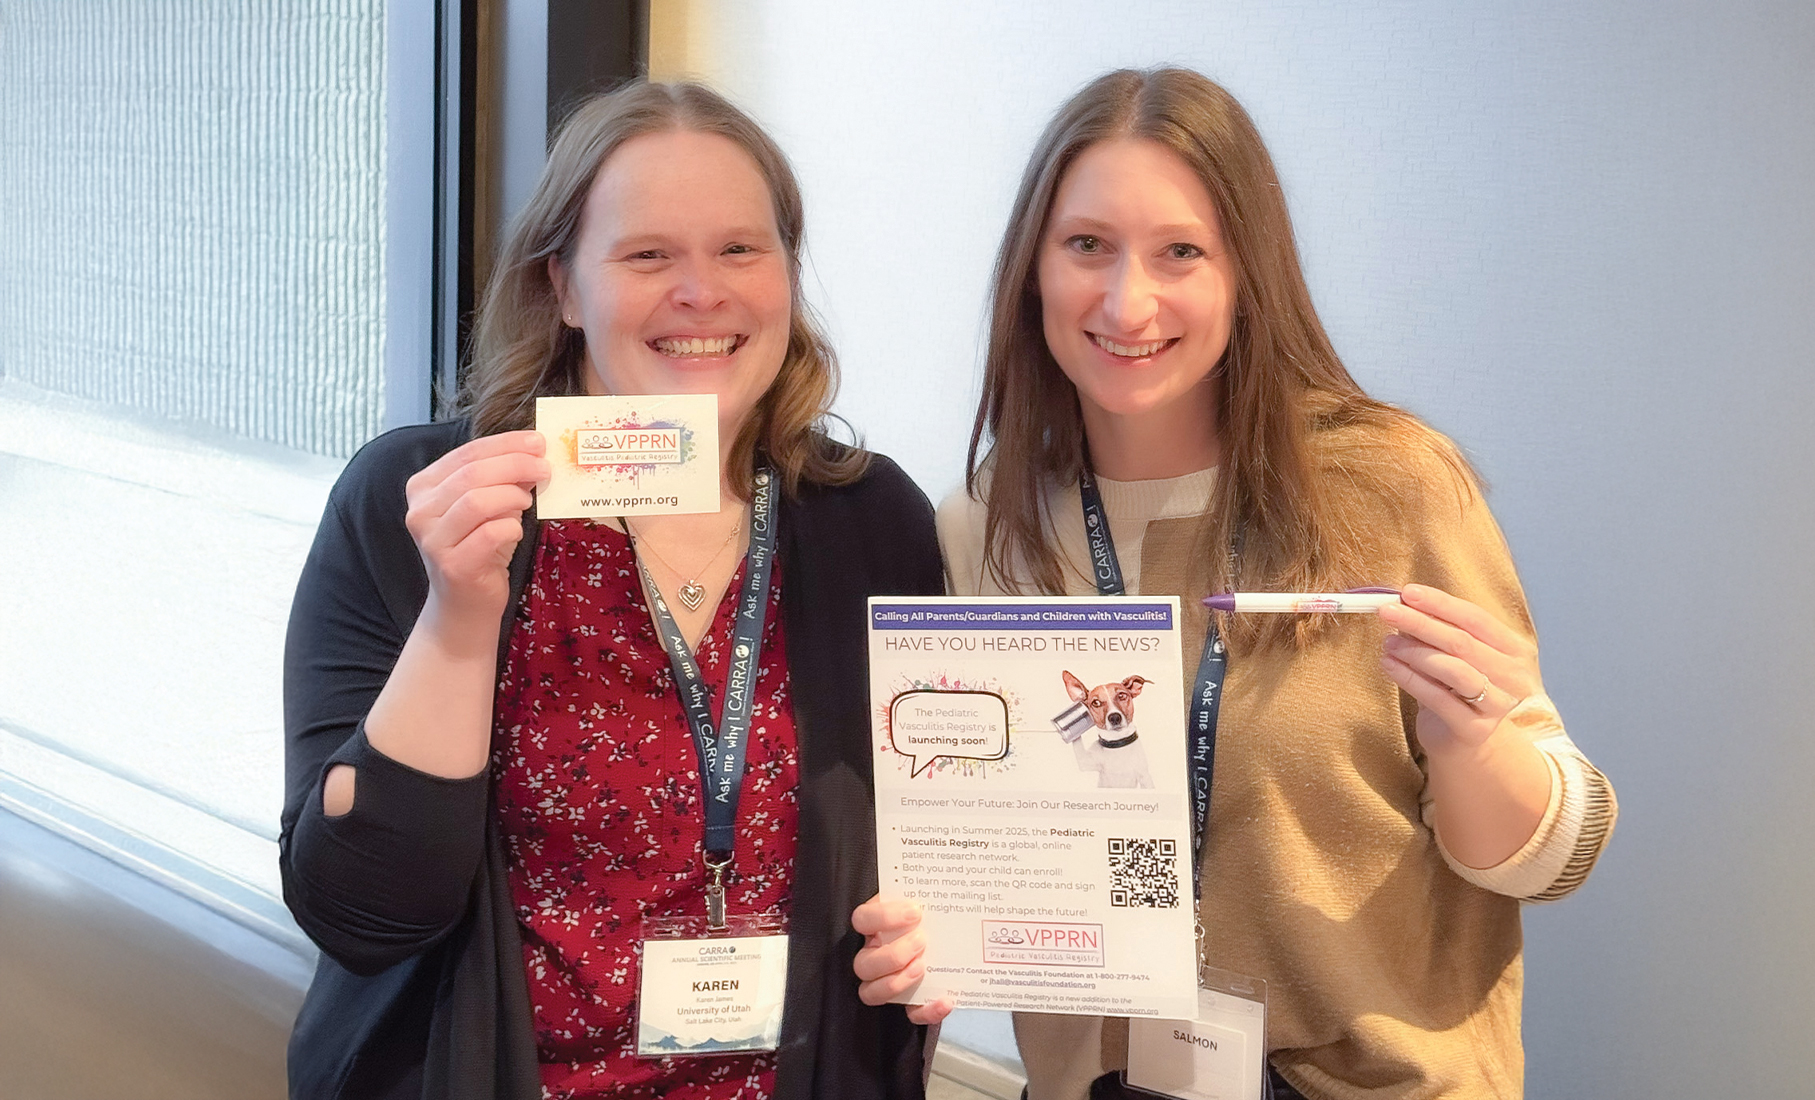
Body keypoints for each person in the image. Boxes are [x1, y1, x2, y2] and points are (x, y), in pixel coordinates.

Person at [852, 68, 1616, 1100]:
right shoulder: (988, 523)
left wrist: (1477, 742)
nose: (1129, 301)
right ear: (1032, 266)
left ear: (1247, 269)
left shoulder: (1390, 487)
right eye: (1087, 246)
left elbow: (1552, 857)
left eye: (1181, 252)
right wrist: (926, 921)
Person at [281, 82, 940, 1100]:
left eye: (739, 250)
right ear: (565, 286)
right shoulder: (418, 506)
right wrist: (459, 618)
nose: (701, 291)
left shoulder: (868, 518)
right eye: (646, 256)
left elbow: (928, 829)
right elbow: (363, 912)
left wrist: (934, 933)